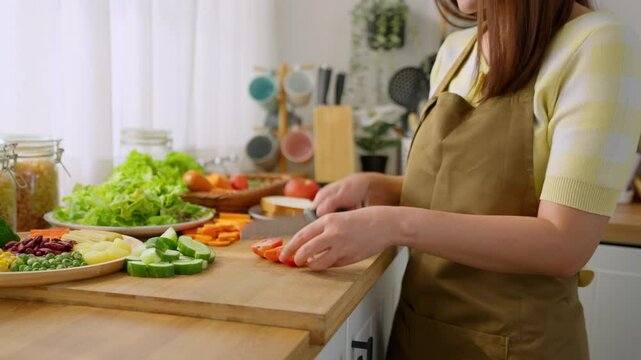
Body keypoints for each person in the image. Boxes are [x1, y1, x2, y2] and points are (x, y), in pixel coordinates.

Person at [280, 0, 641, 358]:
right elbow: (464, 194)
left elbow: (566, 244)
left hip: (516, 346)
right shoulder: (456, 50)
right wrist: (381, 187)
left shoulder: (598, 44)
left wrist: (394, 223)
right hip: (416, 333)